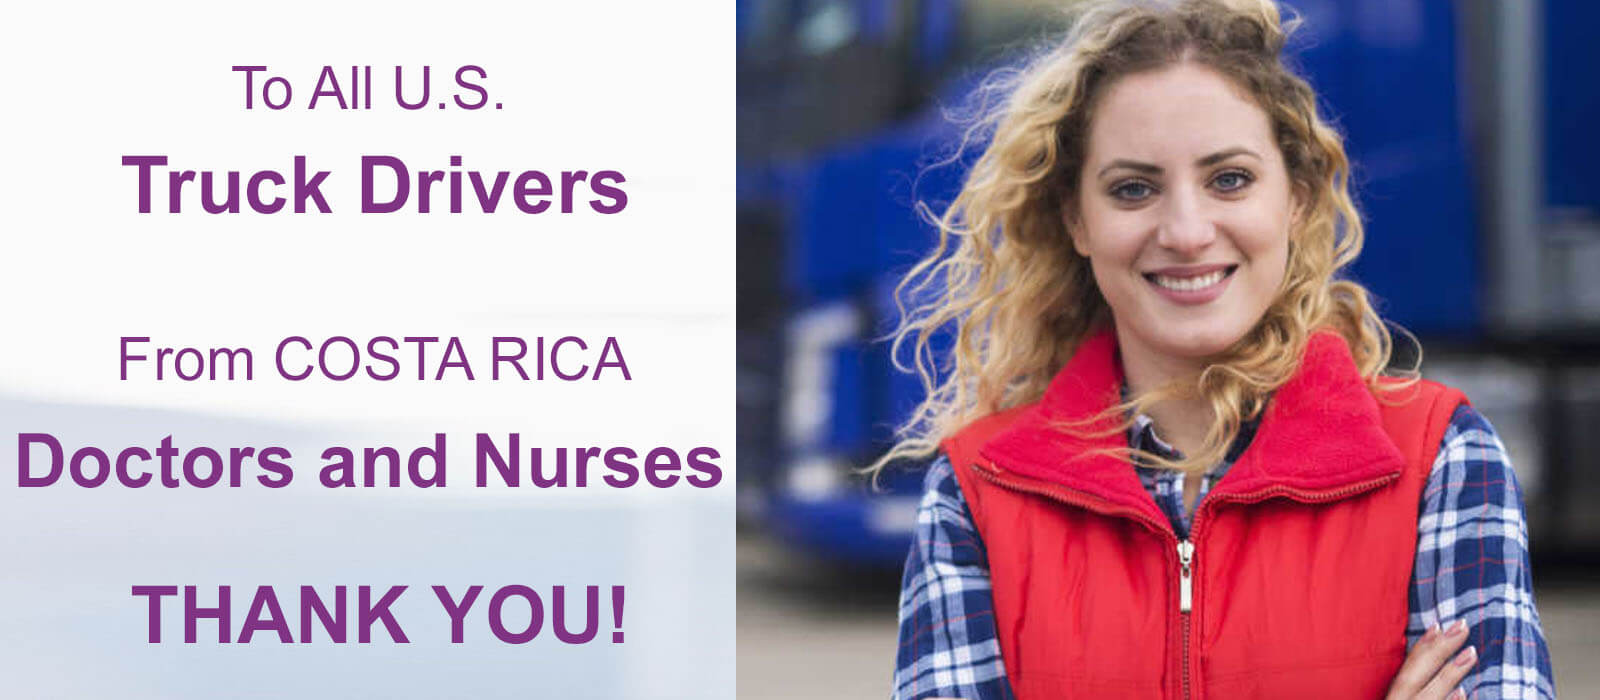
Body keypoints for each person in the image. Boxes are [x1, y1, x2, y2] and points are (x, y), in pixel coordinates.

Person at [878, 0, 1555, 698]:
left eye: (1229, 178)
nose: (1187, 230)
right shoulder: (975, 495)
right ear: (1077, 219)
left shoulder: (1440, 458)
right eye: (1134, 189)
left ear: (1294, 196)